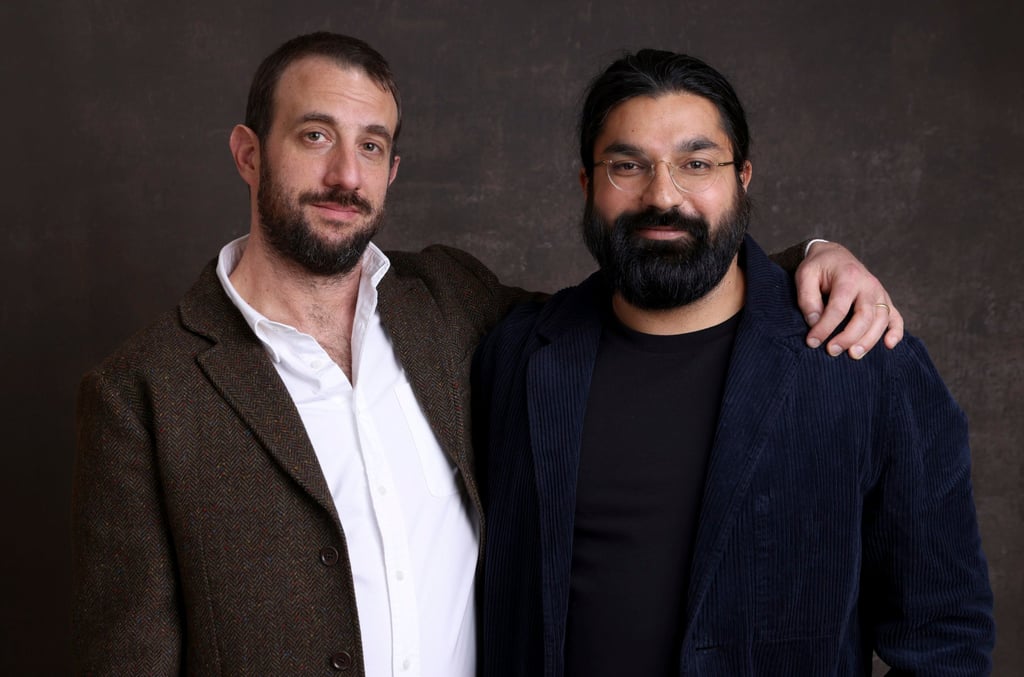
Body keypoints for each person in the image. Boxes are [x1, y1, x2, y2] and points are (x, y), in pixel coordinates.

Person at [73, 33, 904, 676]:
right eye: (315, 135)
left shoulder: (449, 305)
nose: (343, 174)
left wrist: (809, 257)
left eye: (369, 146)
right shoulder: (144, 393)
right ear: (249, 153)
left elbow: (641, 292)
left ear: (392, 170)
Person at [474, 50, 994, 676]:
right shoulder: (514, 356)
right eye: (627, 165)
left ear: (742, 178)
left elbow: (946, 639)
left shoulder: (863, 358)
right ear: (587, 185)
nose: (662, 195)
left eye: (697, 163)